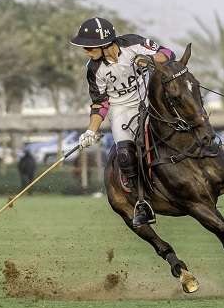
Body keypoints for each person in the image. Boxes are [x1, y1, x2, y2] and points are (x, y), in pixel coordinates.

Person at [70, 17, 174, 227]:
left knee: (183, 118)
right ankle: (142, 203)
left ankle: (212, 152)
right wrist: (91, 131)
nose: (86, 52)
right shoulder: (93, 69)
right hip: (121, 109)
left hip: (150, 100)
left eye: (89, 48)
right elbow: (100, 103)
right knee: (125, 155)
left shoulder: (133, 43)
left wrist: (152, 61)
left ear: (104, 43)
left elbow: (168, 53)